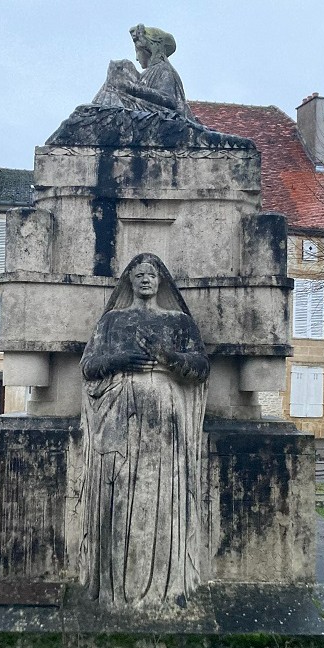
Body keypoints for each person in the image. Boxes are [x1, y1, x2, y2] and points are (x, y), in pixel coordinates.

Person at [79, 253, 209, 608]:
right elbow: (89, 366)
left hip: (165, 416)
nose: (146, 279)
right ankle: (117, 586)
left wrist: (169, 357)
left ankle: (167, 585)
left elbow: (201, 367)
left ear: (161, 280)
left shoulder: (179, 322)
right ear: (130, 281)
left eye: (152, 274)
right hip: (119, 414)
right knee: (119, 498)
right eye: (139, 274)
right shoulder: (112, 321)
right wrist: (119, 360)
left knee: (162, 497)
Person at [91, 24, 197, 122]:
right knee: (113, 80)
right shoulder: (149, 72)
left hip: (160, 114)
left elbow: (169, 100)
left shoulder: (164, 69)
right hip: (146, 111)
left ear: (146, 50)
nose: (136, 58)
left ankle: (97, 117)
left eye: (137, 52)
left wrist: (131, 88)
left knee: (114, 90)